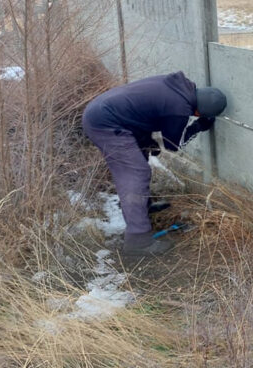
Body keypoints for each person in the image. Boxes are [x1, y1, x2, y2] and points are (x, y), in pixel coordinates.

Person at [82, 71, 227, 256]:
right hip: (104, 123)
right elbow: (174, 144)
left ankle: (142, 209)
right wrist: (198, 126)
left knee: (140, 159)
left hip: (106, 112)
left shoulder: (180, 88)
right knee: (136, 172)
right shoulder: (179, 108)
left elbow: (146, 109)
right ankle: (138, 240)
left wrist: (146, 138)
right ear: (199, 112)